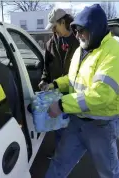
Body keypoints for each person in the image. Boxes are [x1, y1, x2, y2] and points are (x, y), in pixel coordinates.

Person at [44, 4, 119, 178]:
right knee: (59, 163)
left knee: (109, 172)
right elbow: (73, 79)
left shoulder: (114, 55)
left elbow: (100, 95)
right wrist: (55, 84)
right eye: (75, 30)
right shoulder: (81, 49)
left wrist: (61, 104)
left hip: (101, 124)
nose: (77, 35)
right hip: (77, 120)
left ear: (95, 28)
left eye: (81, 31)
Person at [38, 8, 80, 159]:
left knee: (73, 127)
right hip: (56, 93)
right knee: (58, 127)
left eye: (55, 26)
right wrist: (44, 80)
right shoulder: (50, 44)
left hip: (76, 94)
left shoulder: (80, 42)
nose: (53, 30)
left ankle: (70, 154)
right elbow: (46, 68)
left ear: (63, 22)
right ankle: (60, 154)